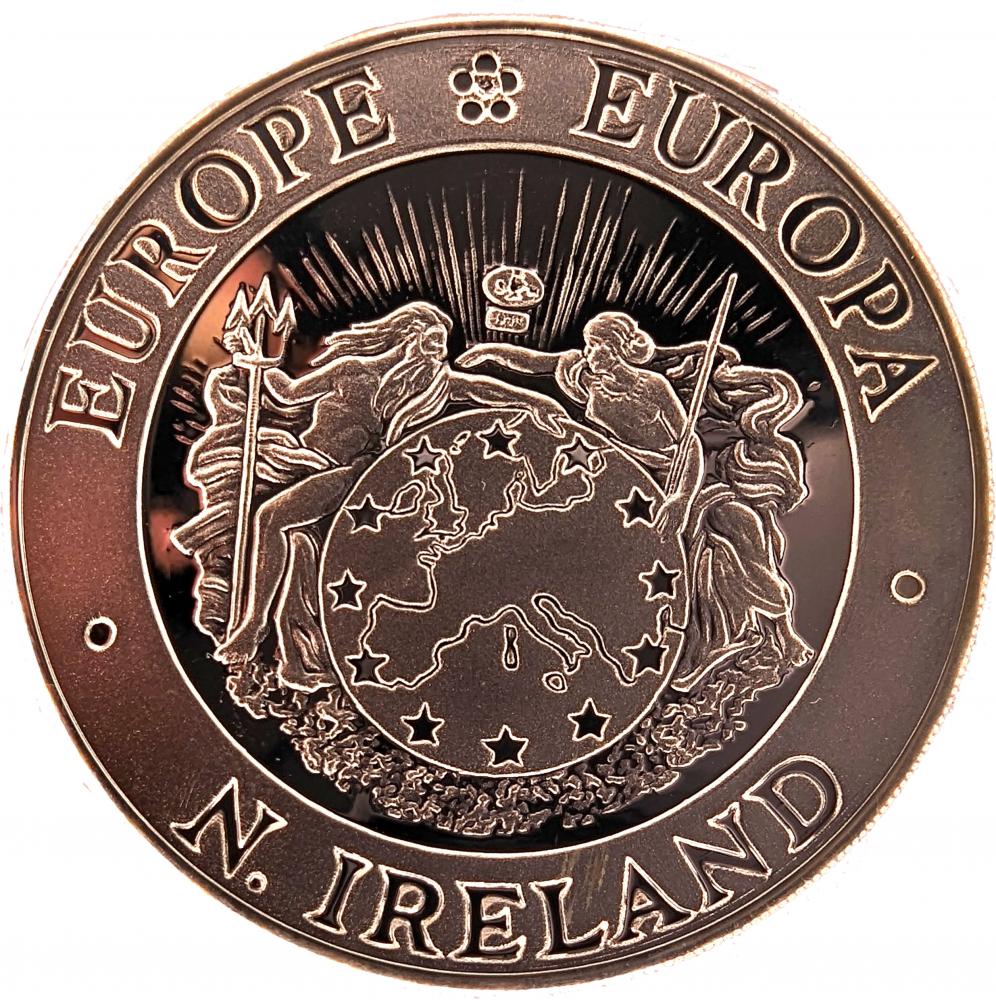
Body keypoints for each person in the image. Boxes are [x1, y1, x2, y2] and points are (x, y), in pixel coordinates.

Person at [205, 300, 568, 665]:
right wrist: (252, 362)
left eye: (442, 347)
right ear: (409, 338)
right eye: (433, 343)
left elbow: (484, 389)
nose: (440, 355)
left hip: (359, 474)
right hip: (305, 462)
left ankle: (253, 629)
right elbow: (288, 394)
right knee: (273, 520)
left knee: (270, 516)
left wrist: (537, 403)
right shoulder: (350, 370)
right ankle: (259, 628)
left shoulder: (434, 385)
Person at [459, 311, 812, 683]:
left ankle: (783, 631)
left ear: (617, 350)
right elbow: (532, 362)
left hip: (677, 480)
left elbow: (689, 446)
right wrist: (488, 352)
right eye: (588, 346)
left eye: (596, 347)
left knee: (742, 525)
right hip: (629, 489)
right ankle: (687, 651)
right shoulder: (583, 376)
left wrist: (682, 499)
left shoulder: (652, 387)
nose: (588, 354)